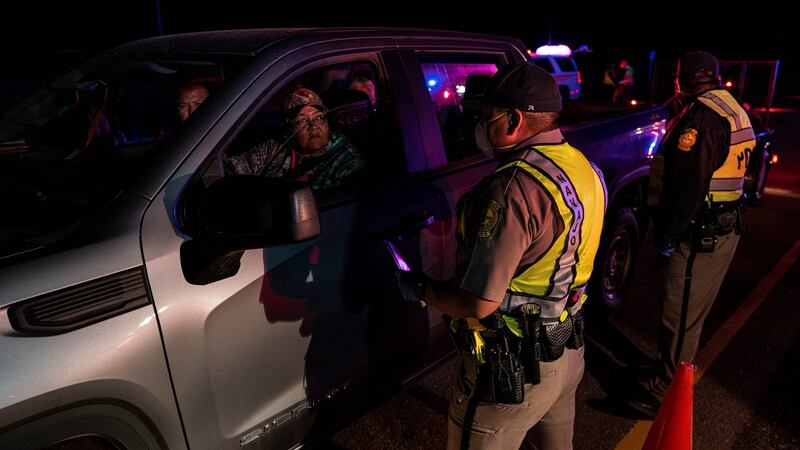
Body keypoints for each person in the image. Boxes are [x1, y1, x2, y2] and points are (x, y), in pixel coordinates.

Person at [396, 62, 607, 449]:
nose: (480, 126)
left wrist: (419, 288)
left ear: (513, 120)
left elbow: (478, 301)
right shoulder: (584, 167)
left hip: (517, 368)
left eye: (485, 116)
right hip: (568, 350)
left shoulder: (512, 188)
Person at [626, 51, 755, 418]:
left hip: (701, 233)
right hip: (723, 225)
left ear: (681, 78)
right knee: (688, 316)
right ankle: (665, 372)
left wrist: (666, 237)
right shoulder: (731, 106)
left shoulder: (701, 117)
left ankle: (663, 392)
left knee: (679, 315)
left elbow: (686, 186)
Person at [225, 88, 367, 190]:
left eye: (319, 118)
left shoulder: (345, 159)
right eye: (302, 121)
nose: (313, 126)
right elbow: (232, 170)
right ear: (288, 130)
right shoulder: (275, 149)